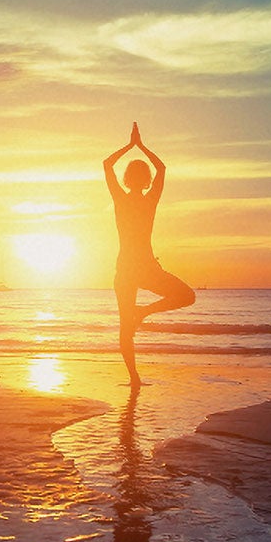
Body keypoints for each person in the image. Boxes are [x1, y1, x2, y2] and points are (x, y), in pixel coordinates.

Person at [102, 123, 194, 387]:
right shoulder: (149, 199)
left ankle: (134, 378)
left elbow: (107, 164)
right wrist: (141, 146)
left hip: (133, 268)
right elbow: (162, 168)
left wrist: (130, 146)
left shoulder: (121, 198)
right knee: (186, 296)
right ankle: (143, 315)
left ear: (128, 179)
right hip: (141, 267)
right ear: (145, 180)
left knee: (126, 325)